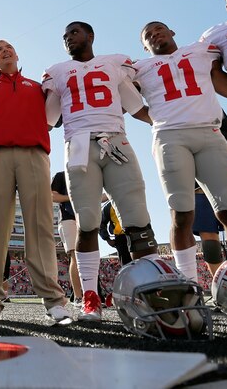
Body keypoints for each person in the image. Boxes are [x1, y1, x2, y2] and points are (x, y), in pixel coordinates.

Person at [42, 22, 159, 322]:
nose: (68, 38)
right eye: (64, 35)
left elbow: (138, 108)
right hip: (79, 145)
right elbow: (48, 119)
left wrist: (171, 122)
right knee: (87, 221)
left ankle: (154, 289)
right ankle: (90, 297)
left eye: (74, 32)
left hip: (116, 140)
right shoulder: (57, 72)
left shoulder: (114, 63)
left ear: (91, 36)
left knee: (136, 216)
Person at [133, 21, 227, 281]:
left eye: (159, 28)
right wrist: (151, 117)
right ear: (144, 45)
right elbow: (124, 97)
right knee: (181, 213)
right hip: (169, 137)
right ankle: (188, 283)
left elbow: (219, 76)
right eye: (148, 34)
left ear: (172, 31)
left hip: (210, 132)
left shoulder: (201, 50)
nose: (155, 34)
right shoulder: (139, 68)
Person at [0, 39, 70, 323]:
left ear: (16, 54)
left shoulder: (37, 88)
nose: (5, 51)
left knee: (39, 225)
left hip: (33, 154)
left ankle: (53, 300)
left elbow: (52, 117)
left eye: (8, 47)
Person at [192, 111, 227, 276]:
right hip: (210, 184)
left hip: (209, 184)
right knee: (215, 233)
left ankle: (220, 281)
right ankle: (219, 279)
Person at [51, 170, 83, 306]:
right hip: (68, 218)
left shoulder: (87, 174)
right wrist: (72, 197)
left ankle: (90, 294)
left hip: (85, 217)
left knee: (88, 257)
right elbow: (52, 196)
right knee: (76, 257)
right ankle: (78, 297)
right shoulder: (61, 175)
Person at [99, 200, 131, 266]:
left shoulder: (132, 199)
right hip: (121, 239)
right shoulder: (109, 206)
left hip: (136, 235)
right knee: (126, 265)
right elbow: (100, 223)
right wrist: (107, 239)